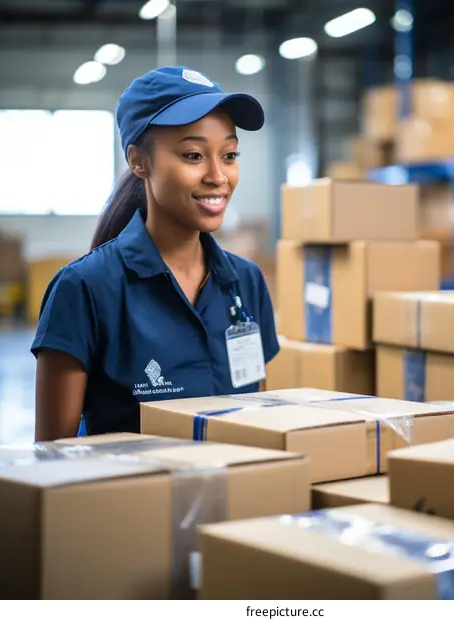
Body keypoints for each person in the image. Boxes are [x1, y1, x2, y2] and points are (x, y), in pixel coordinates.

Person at [31, 66, 280, 441]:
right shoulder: (85, 289)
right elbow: (51, 460)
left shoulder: (245, 282)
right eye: (194, 155)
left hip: (238, 495)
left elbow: (255, 419)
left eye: (229, 154)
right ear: (138, 161)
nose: (218, 176)